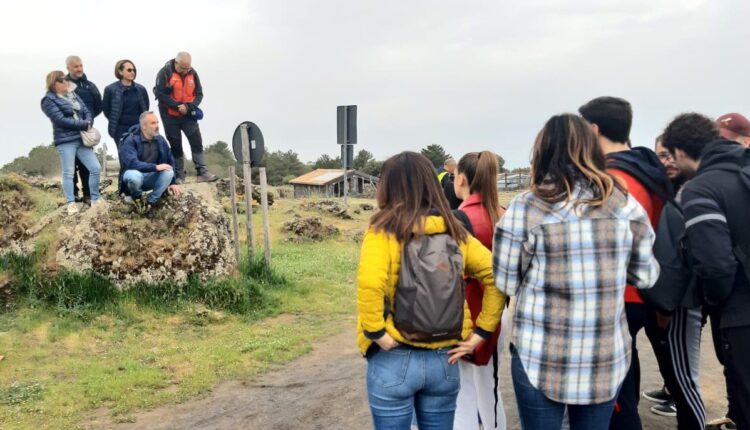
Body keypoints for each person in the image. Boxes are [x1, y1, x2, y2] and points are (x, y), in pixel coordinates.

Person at [493, 113, 659, 430]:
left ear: (543, 153)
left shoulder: (526, 207)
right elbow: (646, 276)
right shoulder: (625, 205)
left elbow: (505, 281)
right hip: (604, 355)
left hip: (540, 354)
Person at [579, 96, 706, 429]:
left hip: (619, 294)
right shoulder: (650, 170)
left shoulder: (606, 179)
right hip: (655, 291)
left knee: (616, 391)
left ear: (593, 129)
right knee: (653, 374)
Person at [357, 151, 504, 430]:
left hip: (394, 356)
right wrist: (481, 333)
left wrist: (376, 332)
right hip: (444, 359)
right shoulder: (454, 230)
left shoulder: (383, 230)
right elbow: (495, 274)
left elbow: (370, 282)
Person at [662, 113, 750, 430]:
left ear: (680, 152)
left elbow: (716, 265)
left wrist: (715, 300)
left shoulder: (702, 189)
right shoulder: (743, 171)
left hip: (742, 314)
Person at [452, 151, 510, 430]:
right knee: (490, 388)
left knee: (466, 393)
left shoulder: (460, 219)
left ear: (461, 179)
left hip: (468, 310)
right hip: (498, 311)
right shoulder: (504, 214)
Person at [41, 71, 102, 215]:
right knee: (68, 172)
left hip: (81, 139)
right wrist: (83, 124)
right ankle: (71, 203)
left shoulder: (73, 94)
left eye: (65, 79)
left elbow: (86, 110)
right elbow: (60, 120)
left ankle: (95, 198)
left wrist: (87, 121)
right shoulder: (48, 100)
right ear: (53, 83)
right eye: (62, 80)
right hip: (66, 141)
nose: (66, 82)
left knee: (95, 168)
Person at [154, 51, 217, 183]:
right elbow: (160, 94)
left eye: (187, 68)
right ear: (176, 63)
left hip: (188, 114)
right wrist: (177, 106)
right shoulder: (164, 73)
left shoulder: (193, 73)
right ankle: (179, 175)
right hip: (169, 115)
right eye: (183, 68)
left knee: (196, 142)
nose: (185, 71)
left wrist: (189, 107)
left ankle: (202, 172)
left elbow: (199, 94)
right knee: (176, 145)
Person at [103, 59, 150, 200]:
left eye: (134, 70)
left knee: (139, 158)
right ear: (120, 71)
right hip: (120, 129)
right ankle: (123, 192)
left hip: (138, 129)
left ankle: (135, 190)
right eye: (129, 70)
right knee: (126, 160)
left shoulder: (140, 89)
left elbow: (145, 108)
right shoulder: (110, 89)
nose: (132, 72)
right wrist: (116, 123)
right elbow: (106, 110)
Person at [120, 112, 181, 219]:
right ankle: (137, 198)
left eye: (157, 122)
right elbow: (132, 163)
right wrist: (155, 167)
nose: (157, 126)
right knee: (135, 176)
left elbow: (169, 159)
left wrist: (173, 182)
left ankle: (151, 202)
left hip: (151, 178)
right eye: (153, 123)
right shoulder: (130, 140)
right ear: (144, 126)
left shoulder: (160, 140)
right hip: (133, 177)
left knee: (169, 171)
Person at [66, 55, 102, 205]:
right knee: (70, 167)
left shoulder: (90, 86)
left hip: (85, 132)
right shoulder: (63, 86)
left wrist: (88, 119)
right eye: (76, 66)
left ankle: (88, 195)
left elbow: (98, 106)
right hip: (68, 133)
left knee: (86, 166)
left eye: (81, 66)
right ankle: (73, 195)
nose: (79, 69)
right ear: (68, 68)